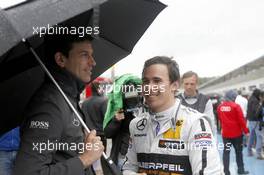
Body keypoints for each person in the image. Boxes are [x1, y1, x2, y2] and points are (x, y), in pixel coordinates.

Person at [13, 32, 104, 175]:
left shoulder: (67, 96)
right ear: (61, 59)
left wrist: (84, 150)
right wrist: (85, 159)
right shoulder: (49, 105)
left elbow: (63, 155)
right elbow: (27, 172)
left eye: (91, 55)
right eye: (85, 55)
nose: (93, 62)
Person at [123, 56, 222, 175]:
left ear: (174, 85)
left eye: (157, 81)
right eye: (145, 81)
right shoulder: (136, 125)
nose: (149, 87)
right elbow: (128, 167)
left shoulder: (195, 123)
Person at [104, 74, 142, 169]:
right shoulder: (118, 110)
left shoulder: (145, 109)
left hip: (141, 156)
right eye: (128, 94)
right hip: (123, 155)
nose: (131, 98)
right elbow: (108, 133)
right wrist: (116, 120)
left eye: (134, 93)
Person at [217, 90, 249, 175]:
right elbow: (241, 120)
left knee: (226, 153)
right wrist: (246, 131)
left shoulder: (220, 107)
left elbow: (220, 119)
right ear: (232, 97)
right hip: (237, 135)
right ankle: (241, 170)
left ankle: (226, 172)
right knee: (238, 153)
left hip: (225, 135)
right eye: (234, 97)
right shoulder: (236, 106)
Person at [81, 81, 108, 174]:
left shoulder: (85, 102)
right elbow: (106, 118)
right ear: (99, 89)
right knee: (103, 158)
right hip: (100, 134)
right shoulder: (103, 101)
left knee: (90, 158)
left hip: (88, 134)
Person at [178, 71, 217, 136]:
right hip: (180, 139)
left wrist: (214, 141)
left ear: (196, 84)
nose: (189, 87)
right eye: (186, 84)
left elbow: (211, 123)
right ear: (182, 84)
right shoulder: (176, 100)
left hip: (200, 137)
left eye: (192, 84)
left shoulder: (206, 101)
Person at [247, 88, 263, 159]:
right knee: (259, 137)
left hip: (250, 121)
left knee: (252, 136)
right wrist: (260, 105)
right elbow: (255, 111)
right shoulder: (255, 101)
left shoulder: (250, 99)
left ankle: (249, 151)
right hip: (255, 121)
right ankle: (259, 154)